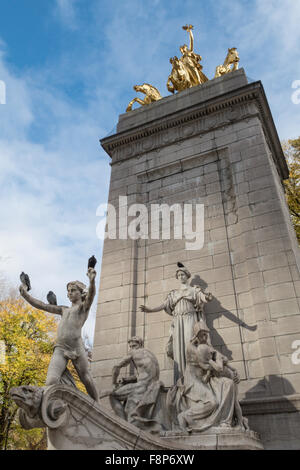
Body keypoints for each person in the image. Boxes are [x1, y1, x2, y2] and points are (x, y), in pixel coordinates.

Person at [19, 266, 99, 402]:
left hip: (76, 348)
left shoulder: (82, 308)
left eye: (73, 290)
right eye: (68, 291)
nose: (70, 293)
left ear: (81, 293)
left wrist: (92, 281)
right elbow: (42, 305)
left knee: (86, 377)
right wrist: (25, 295)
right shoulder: (63, 309)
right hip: (60, 348)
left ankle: (98, 404)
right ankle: (59, 404)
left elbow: (91, 296)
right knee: (50, 381)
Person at [167, 321, 248, 432]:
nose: (205, 337)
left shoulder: (205, 346)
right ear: (196, 334)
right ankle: (186, 416)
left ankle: (226, 422)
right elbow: (212, 365)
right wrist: (220, 364)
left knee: (229, 384)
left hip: (206, 379)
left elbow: (219, 358)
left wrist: (233, 372)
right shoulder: (192, 348)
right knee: (212, 402)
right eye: (202, 334)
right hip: (193, 381)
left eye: (206, 334)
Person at [140, 263, 212, 381]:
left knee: (190, 344)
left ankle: (194, 378)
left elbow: (202, 297)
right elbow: (164, 305)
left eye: (182, 274)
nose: (181, 277)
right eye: (178, 275)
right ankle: (181, 378)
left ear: (187, 276)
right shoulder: (174, 293)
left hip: (190, 319)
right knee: (179, 348)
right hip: (178, 321)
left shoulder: (194, 289)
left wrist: (207, 298)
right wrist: (150, 310)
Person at [100, 336, 166, 431]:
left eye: (133, 346)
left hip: (142, 387)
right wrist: (128, 379)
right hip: (152, 385)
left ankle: (123, 425)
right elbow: (145, 374)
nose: (131, 348)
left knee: (113, 395)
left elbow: (116, 367)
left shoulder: (133, 352)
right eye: (130, 346)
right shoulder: (150, 354)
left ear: (139, 345)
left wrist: (113, 384)